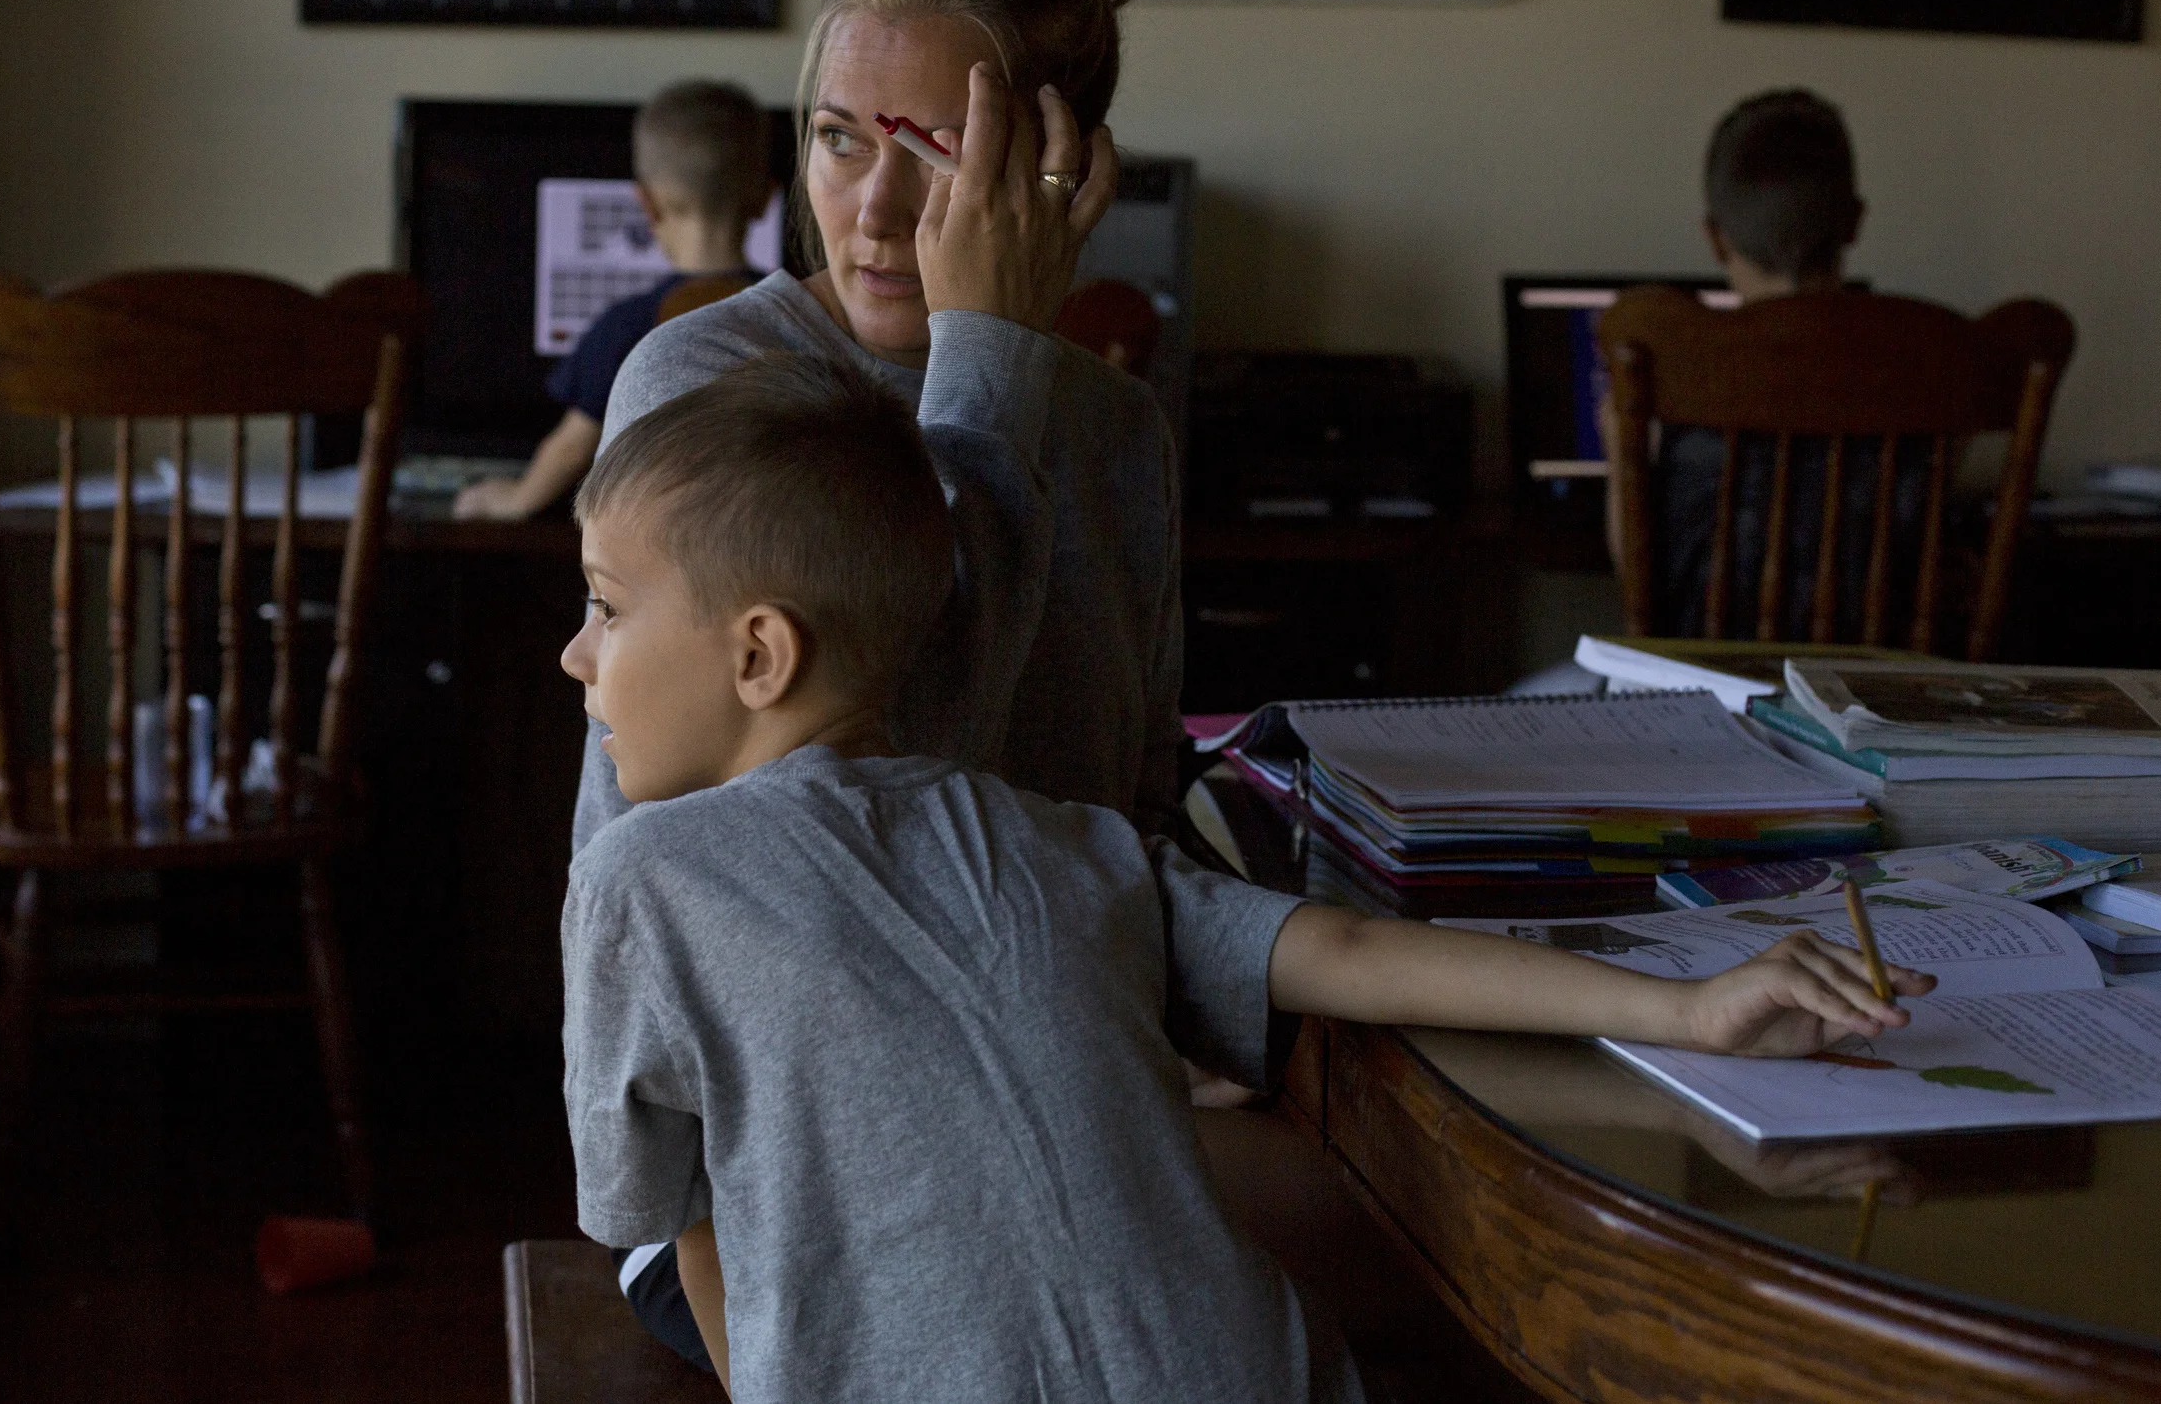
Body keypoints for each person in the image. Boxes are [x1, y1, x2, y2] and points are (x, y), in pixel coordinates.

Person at [559, 352, 1936, 1404]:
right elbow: (1341, 947)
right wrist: (1695, 1003)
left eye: (607, 606)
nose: (578, 654)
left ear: (759, 654)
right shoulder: (1059, 834)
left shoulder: (640, 877)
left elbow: (673, 1224)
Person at [572, 0, 1182, 1361]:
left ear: (1061, 164)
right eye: (842, 137)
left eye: (935, 148)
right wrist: (986, 366)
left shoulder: (1116, 434)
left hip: (1039, 1111)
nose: (876, 204)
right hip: (763, 1164)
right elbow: (902, 791)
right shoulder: (705, 384)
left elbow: (1105, 810)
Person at [1600, 87, 1927, 642]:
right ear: (1854, 222)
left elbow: (1640, 585)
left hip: (1700, 699)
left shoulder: (1667, 369)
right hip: (1867, 701)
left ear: (1714, 237)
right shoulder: (1931, 368)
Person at [452, 79, 771, 522]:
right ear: (765, 197)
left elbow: (572, 448)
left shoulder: (627, 326)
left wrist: (511, 498)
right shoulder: (794, 313)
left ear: (647, 204)